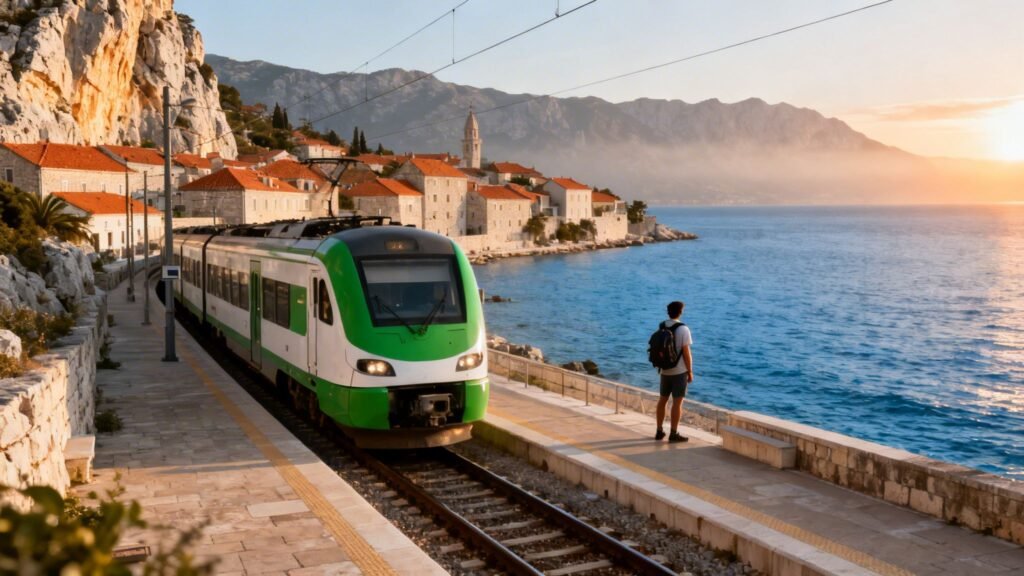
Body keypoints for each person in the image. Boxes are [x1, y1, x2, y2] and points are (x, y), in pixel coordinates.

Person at [655, 300, 693, 443]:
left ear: (668, 312)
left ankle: (659, 431)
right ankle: (673, 433)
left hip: (664, 370)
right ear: (680, 312)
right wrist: (690, 371)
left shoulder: (662, 325)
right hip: (679, 371)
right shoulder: (684, 329)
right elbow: (686, 353)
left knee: (662, 400)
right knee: (677, 403)